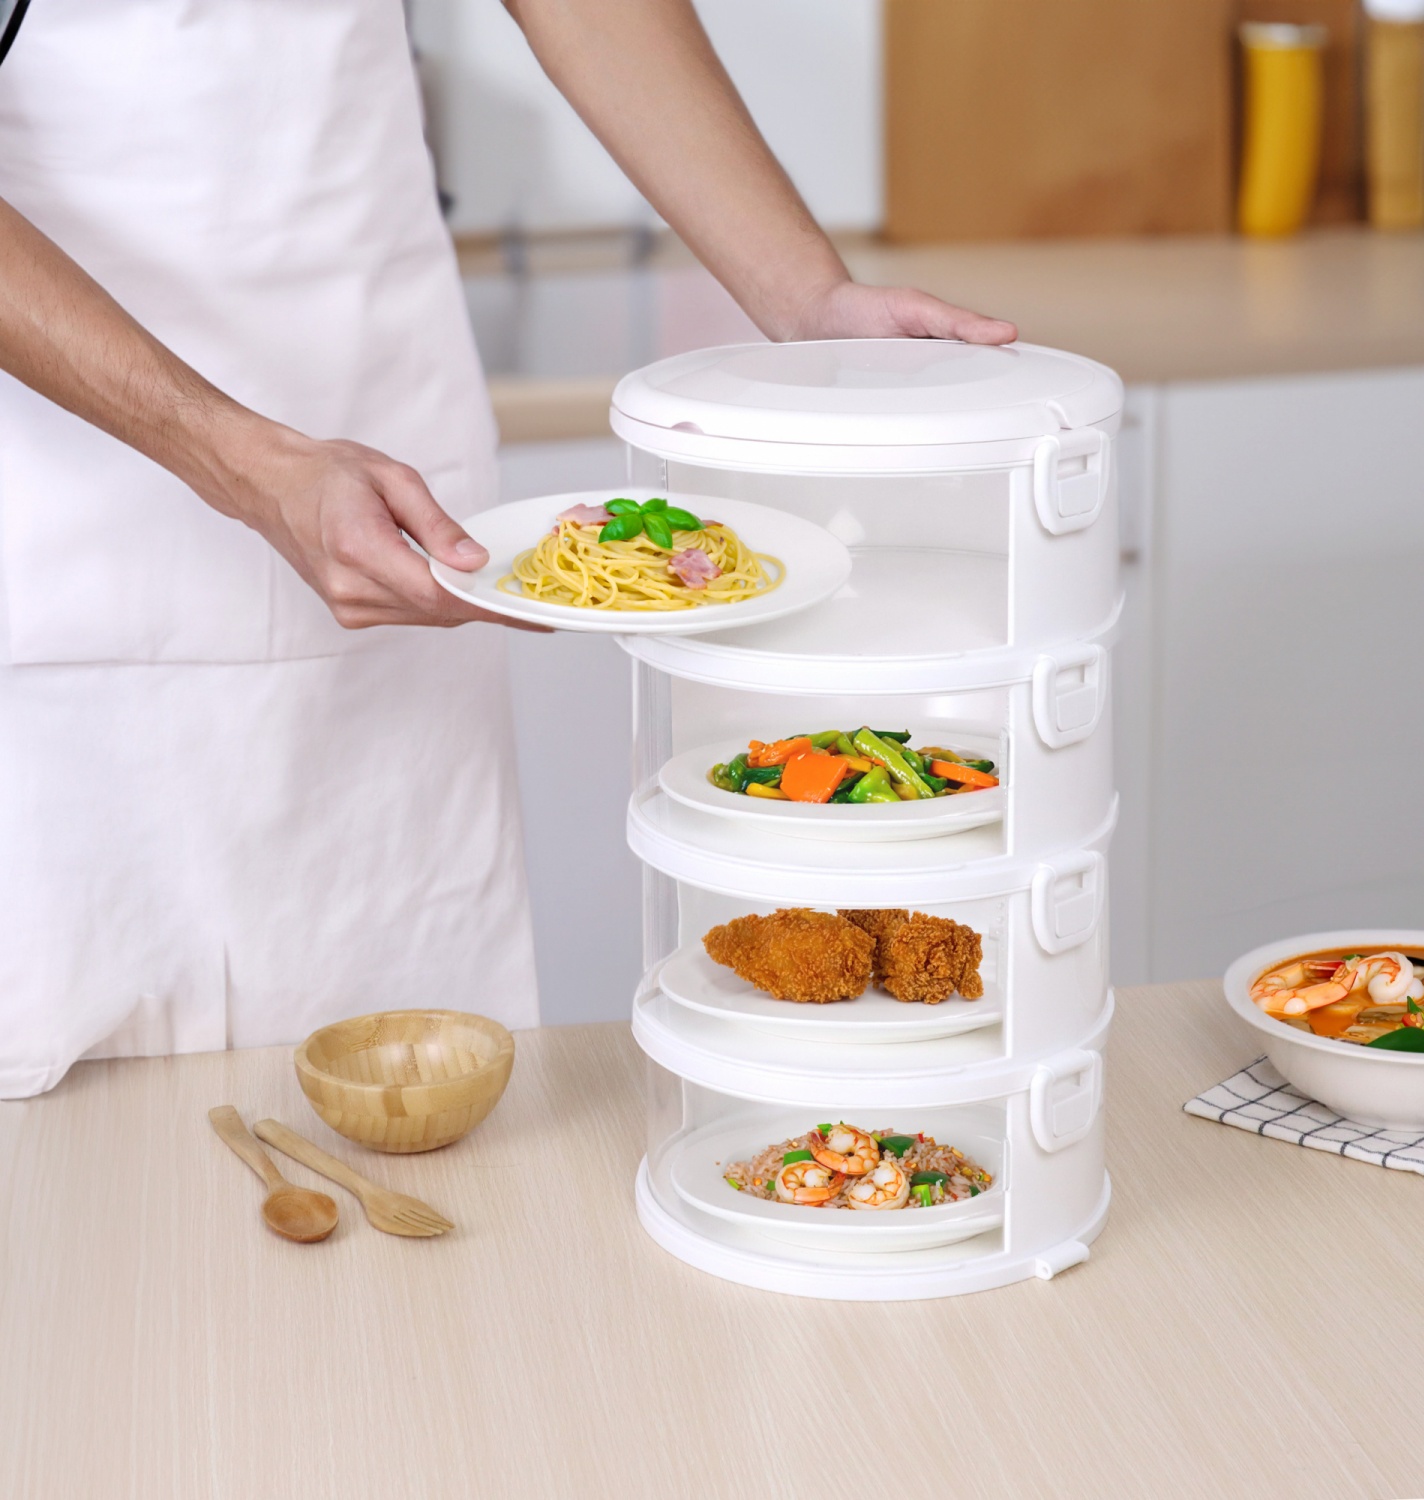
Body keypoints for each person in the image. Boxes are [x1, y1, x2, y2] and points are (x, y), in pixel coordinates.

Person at [0, 0, 1016, 1098]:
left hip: (394, 465)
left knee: (435, 1098)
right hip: (83, 521)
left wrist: (808, 297)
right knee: (100, 1137)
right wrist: (240, 459)